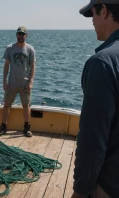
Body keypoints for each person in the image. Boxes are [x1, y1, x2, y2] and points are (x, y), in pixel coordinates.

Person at [72, 1, 119, 198]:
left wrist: (81, 191)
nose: (92, 22)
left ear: (104, 10)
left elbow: (93, 139)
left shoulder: (102, 63)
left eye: (92, 14)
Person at [0, 26, 36, 137]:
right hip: (11, 84)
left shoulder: (30, 49)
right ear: (16, 35)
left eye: (23, 34)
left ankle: (27, 128)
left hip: (25, 84)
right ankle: (3, 126)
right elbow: (6, 65)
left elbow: (33, 66)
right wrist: (4, 81)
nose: (20, 36)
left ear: (26, 36)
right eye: (19, 34)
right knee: (6, 105)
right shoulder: (9, 48)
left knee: (26, 105)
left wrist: (31, 82)